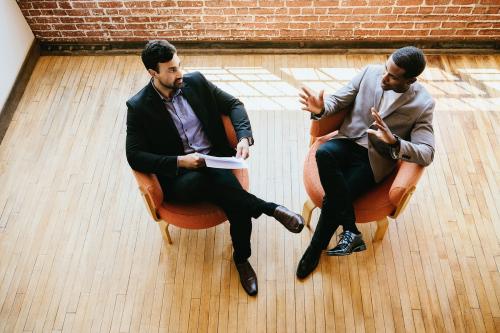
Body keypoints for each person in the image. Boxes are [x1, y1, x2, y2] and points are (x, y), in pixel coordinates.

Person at [125, 40, 304, 296]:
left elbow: (233, 105)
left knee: (237, 206)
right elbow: (134, 155)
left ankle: (242, 258)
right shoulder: (138, 107)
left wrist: (243, 137)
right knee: (209, 180)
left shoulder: (195, 82)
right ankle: (269, 209)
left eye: (180, 66)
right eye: (172, 70)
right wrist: (180, 161)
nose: (180, 74)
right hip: (181, 179)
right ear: (153, 73)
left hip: (217, 162)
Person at [296, 46, 435, 279]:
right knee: (324, 153)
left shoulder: (423, 104)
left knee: (335, 199)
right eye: (385, 68)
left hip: (373, 161)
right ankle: (350, 231)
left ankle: (315, 248)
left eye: (392, 76)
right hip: (347, 140)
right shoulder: (369, 73)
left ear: (410, 80)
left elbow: (427, 153)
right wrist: (321, 109)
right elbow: (339, 100)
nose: (384, 77)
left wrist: (395, 142)